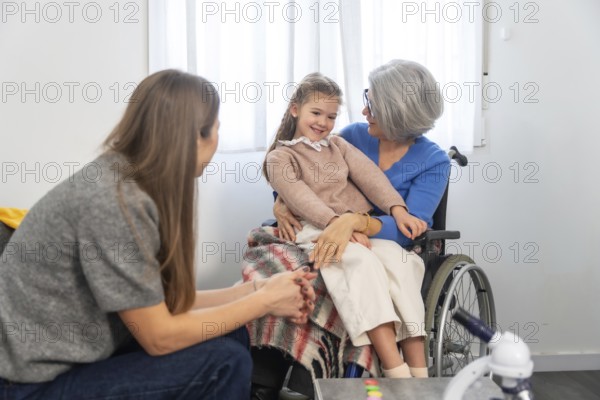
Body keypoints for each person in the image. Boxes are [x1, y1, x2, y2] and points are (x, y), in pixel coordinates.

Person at [0, 69, 317, 400]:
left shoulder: (128, 180)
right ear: (194, 136)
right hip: (29, 386)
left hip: (74, 358)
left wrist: (257, 289)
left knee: (230, 336)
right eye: (217, 130)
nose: (218, 140)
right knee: (226, 362)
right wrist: (263, 301)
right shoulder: (114, 202)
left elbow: (164, 303)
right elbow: (159, 335)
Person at [248, 60, 450, 396]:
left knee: (386, 269)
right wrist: (280, 203)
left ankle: (414, 377)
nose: (363, 110)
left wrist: (356, 222)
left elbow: (408, 227)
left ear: (396, 112)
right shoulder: (353, 135)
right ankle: (268, 380)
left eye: (371, 103)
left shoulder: (433, 160)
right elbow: (302, 178)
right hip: (331, 232)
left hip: (386, 242)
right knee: (301, 274)